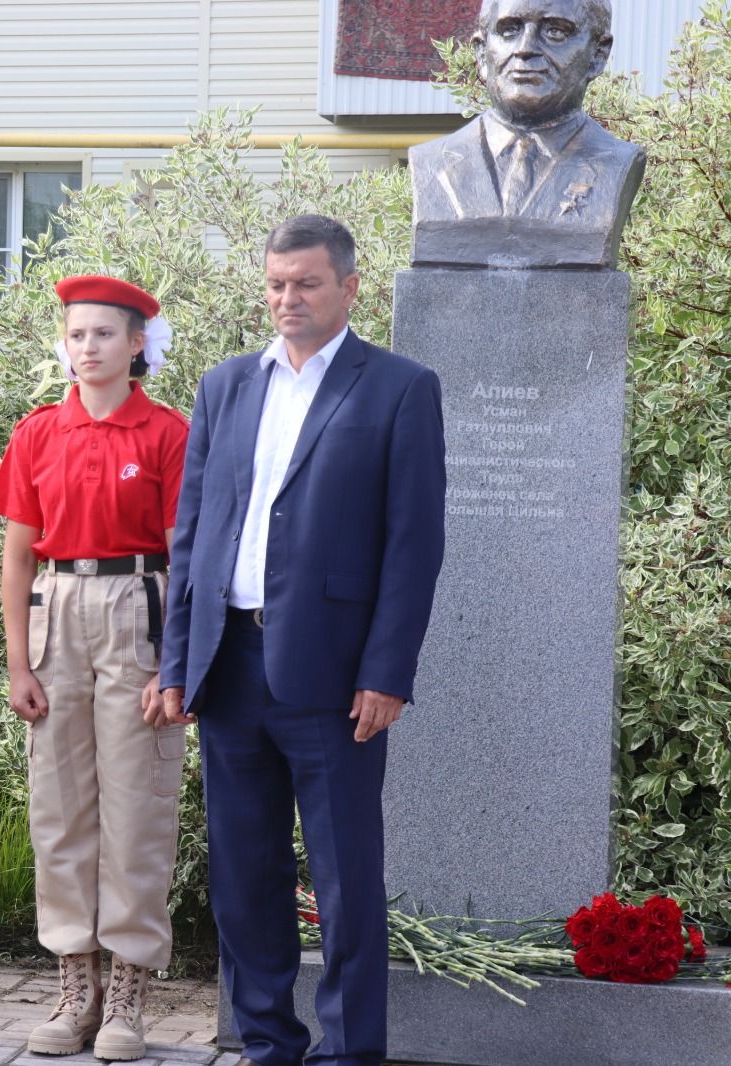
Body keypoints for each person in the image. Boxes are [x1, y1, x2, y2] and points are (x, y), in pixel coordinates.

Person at [159, 215, 446, 1066]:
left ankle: (350, 1052)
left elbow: (413, 545)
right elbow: (192, 535)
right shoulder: (224, 387)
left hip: (333, 676)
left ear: (349, 288)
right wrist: (178, 662)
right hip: (230, 669)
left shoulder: (399, 387)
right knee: (244, 879)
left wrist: (387, 671)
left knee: (346, 882)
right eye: (278, 283)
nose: (288, 298)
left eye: (307, 283)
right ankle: (266, 1044)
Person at [0, 276, 189, 1060]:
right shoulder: (38, 432)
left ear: (138, 343)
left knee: (136, 804)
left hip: (139, 605)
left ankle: (130, 988)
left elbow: (189, 556)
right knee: (59, 805)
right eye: (77, 334)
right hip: (55, 609)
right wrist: (16, 662)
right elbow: (15, 555)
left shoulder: (166, 433)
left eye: (105, 333)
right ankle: (77, 983)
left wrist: (173, 663)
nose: (88, 347)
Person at [408, 0, 645, 268]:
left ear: (597, 54)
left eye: (555, 32)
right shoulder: (431, 160)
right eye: (509, 31)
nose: (525, 49)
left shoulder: (615, 163)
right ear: (481, 52)